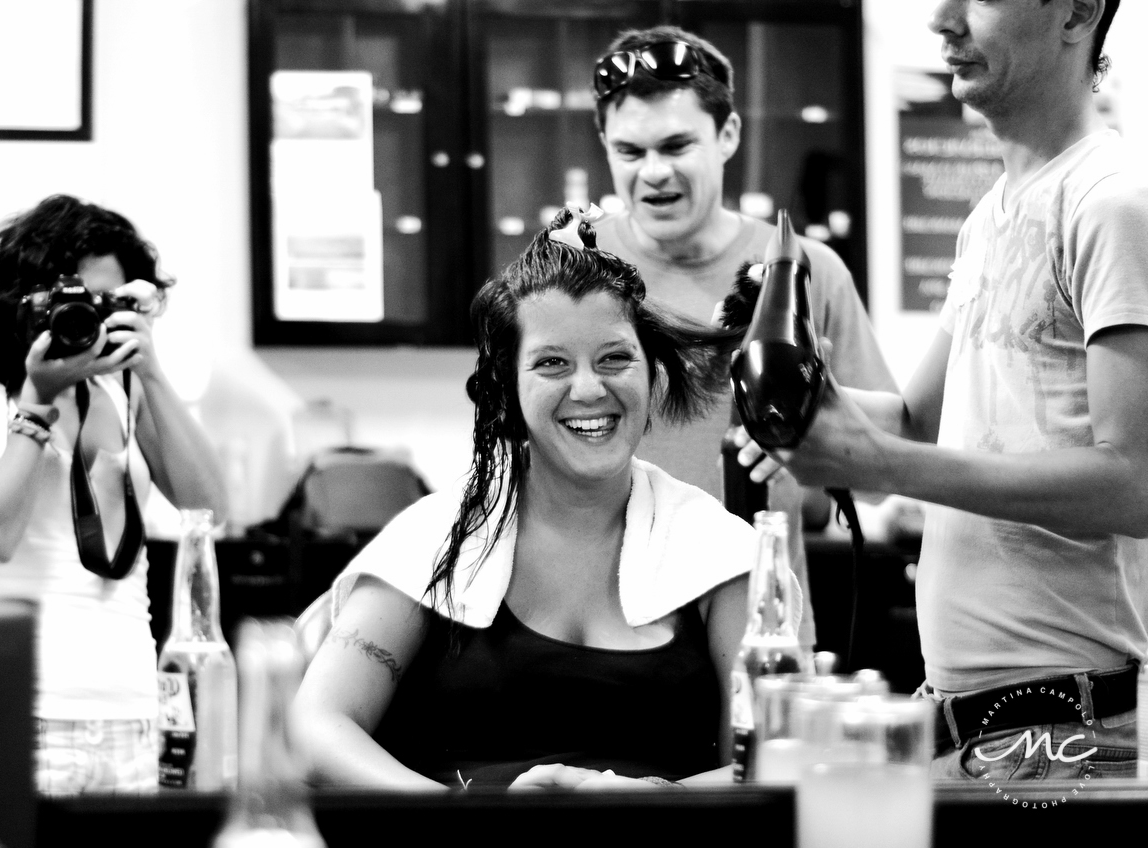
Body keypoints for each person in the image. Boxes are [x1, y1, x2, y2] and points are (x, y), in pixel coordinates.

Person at [767, 0, 1146, 780]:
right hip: (966, 721)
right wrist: (790, 400)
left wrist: (882, 464)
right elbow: (912, 420)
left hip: (1070, 727)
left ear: (1076, 12)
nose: (941, 20)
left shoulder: (1112, 202)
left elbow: (1135, 480)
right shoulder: (990, 217)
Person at [292, 207, 791, 790]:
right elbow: (317, 725)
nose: (589, 389)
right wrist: (470, 816)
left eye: (615, 358)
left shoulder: (720, 552)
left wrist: (654, 800)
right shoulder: (435, 539)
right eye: (552, 363)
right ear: (507, 386)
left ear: (651, 373)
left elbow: (779, 760)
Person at [589, 25, 898, 652]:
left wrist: (822, 422)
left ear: (727, 135)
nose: (654, 173)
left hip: (757, 622)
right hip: (595, 623)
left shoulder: (800, 271)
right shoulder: (573, 267)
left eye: (677, 146)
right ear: (603, 145)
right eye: (630, 151)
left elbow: (879, 469)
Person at [0, 194, 227, 796]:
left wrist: (151, 370)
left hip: (136, 716)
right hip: (20, 713)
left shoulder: (122, 388)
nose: (88, 319)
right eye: (72, 300)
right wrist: (37, 401)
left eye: (107, 303)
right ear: (20, 298)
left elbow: (207, 511)